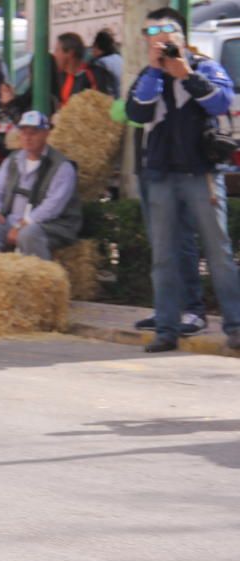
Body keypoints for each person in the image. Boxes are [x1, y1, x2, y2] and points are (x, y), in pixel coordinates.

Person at [126, 8, 240, 352]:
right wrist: (156, 70)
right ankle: (166, 330)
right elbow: (136, 111)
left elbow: (221, 102)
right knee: (164, 254)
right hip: (160, 175)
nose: (159, 37)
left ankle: (235, 326)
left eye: (166, 30)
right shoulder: (150, 74)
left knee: (217, 252)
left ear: (183, 36)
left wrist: (186, 73)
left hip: (200, 174)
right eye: (151, 32)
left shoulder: (205, 67)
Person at [0, 111, 81, 260]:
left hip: (53, 225)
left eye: (33, 132)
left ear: (46, 133)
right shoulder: (12, 160)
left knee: (28, 234)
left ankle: (39, 279)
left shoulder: (62, 166)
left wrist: (22, 225)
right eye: (24, 132)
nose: (27, 137)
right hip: (13, 221)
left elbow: (53, 206)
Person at [54, 32, 117, 107]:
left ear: (70, 53)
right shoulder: (58, 76)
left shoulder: (94, 75)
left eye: (57, 50)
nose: (55, 55)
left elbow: (102, 107)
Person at [91, 29, 123, 94]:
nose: (92, 52)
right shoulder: (119, 58)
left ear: (96, 46)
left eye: (93, 47)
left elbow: (101, 89)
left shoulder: (100, 63)